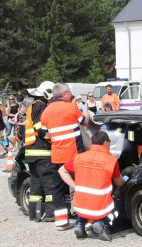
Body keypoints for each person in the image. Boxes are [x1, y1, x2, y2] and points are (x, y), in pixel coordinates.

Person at [58, 131, 126, 241]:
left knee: (87, 202)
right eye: (109, 142)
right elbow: (119, 183)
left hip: (79, 205)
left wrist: (75, 186)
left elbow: (62, 171)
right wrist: (125, 180)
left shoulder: (79, 157)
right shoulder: (111, 160)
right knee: (117, 201)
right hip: (99, 208)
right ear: (105, 143)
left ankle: (80, 224)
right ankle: (102, 223)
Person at [41, 83, 89, 231]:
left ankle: (61, 222)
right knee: (80, 186)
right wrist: (86, 110)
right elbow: (85, 122)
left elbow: (47, 135)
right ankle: (85, 220)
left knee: (58, 189)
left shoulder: (46, 112)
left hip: (57, 156)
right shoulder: (71, 107)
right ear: (64, 94)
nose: (71, 95)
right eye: (69, 92)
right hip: (73, 155)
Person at [25, 81, 55, 222]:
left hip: (31, 152)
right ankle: (49, 214)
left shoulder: (32, 106)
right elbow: (39, 128)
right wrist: (52, 139)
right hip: (42, 152)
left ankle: (33, 214)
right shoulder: (41, 106)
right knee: (48, 184)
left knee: (36, 184)